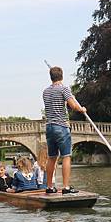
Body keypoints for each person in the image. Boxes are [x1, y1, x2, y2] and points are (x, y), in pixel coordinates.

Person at [43, 66, 87, 194]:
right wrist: (82, 109)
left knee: (51, 157)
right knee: (66, 156)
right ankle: (66, 187)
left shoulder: (45, 91)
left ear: (51, 77)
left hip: (49, 127)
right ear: (61, 76)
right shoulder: (64, 88)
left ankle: (50, 187)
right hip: (61, 126)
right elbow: (73, 106)